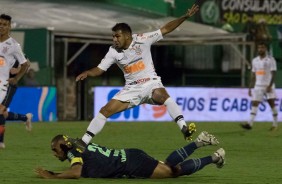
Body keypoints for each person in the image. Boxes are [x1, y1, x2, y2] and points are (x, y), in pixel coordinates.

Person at [75, 4, 199, 146]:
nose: (114, 39)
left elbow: (165, 29)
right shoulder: (113, 51)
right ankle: (83, 142)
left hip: (150, 83)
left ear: (127, 36)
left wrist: (184, 17)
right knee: (105, 111)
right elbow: (100, 69)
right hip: (131, 89)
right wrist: (88, 73)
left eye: (117, 36)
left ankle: (184, 127)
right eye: (113, 36)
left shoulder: (143, 39)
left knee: (164, 97)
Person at [35, 131, 225, 179]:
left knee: (172, 171)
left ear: (63, 146)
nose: (55, 154)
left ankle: (206, 148)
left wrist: (53, 176)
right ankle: (212, 153)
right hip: (130, 155)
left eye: (55, 150)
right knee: (172, 168)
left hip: (131, 165)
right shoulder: (78, 143)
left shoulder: (72, 152)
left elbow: (76, 172)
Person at [0, 14, 30, 148]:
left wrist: (16, 77)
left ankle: (1, 141)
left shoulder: (13, 45)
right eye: (0, 23)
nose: (1, 26)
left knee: (1, 111)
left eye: (5, 24)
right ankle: (25, 118)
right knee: (2, 113)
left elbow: (25, 64)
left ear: (9, 27)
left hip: (4, 85)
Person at [241, 42, 278, 131]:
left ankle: (275, 123)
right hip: (258, 86)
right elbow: (253, 75)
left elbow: (273, 73)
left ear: (265, 49)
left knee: (272, 104)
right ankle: (249, 124)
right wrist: (250, 88)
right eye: (259, 48)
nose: (260, 49)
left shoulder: (271, 60)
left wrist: (270, 85)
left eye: (262, 48)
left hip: (268, 86)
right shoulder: (255, 60)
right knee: (254, 103)